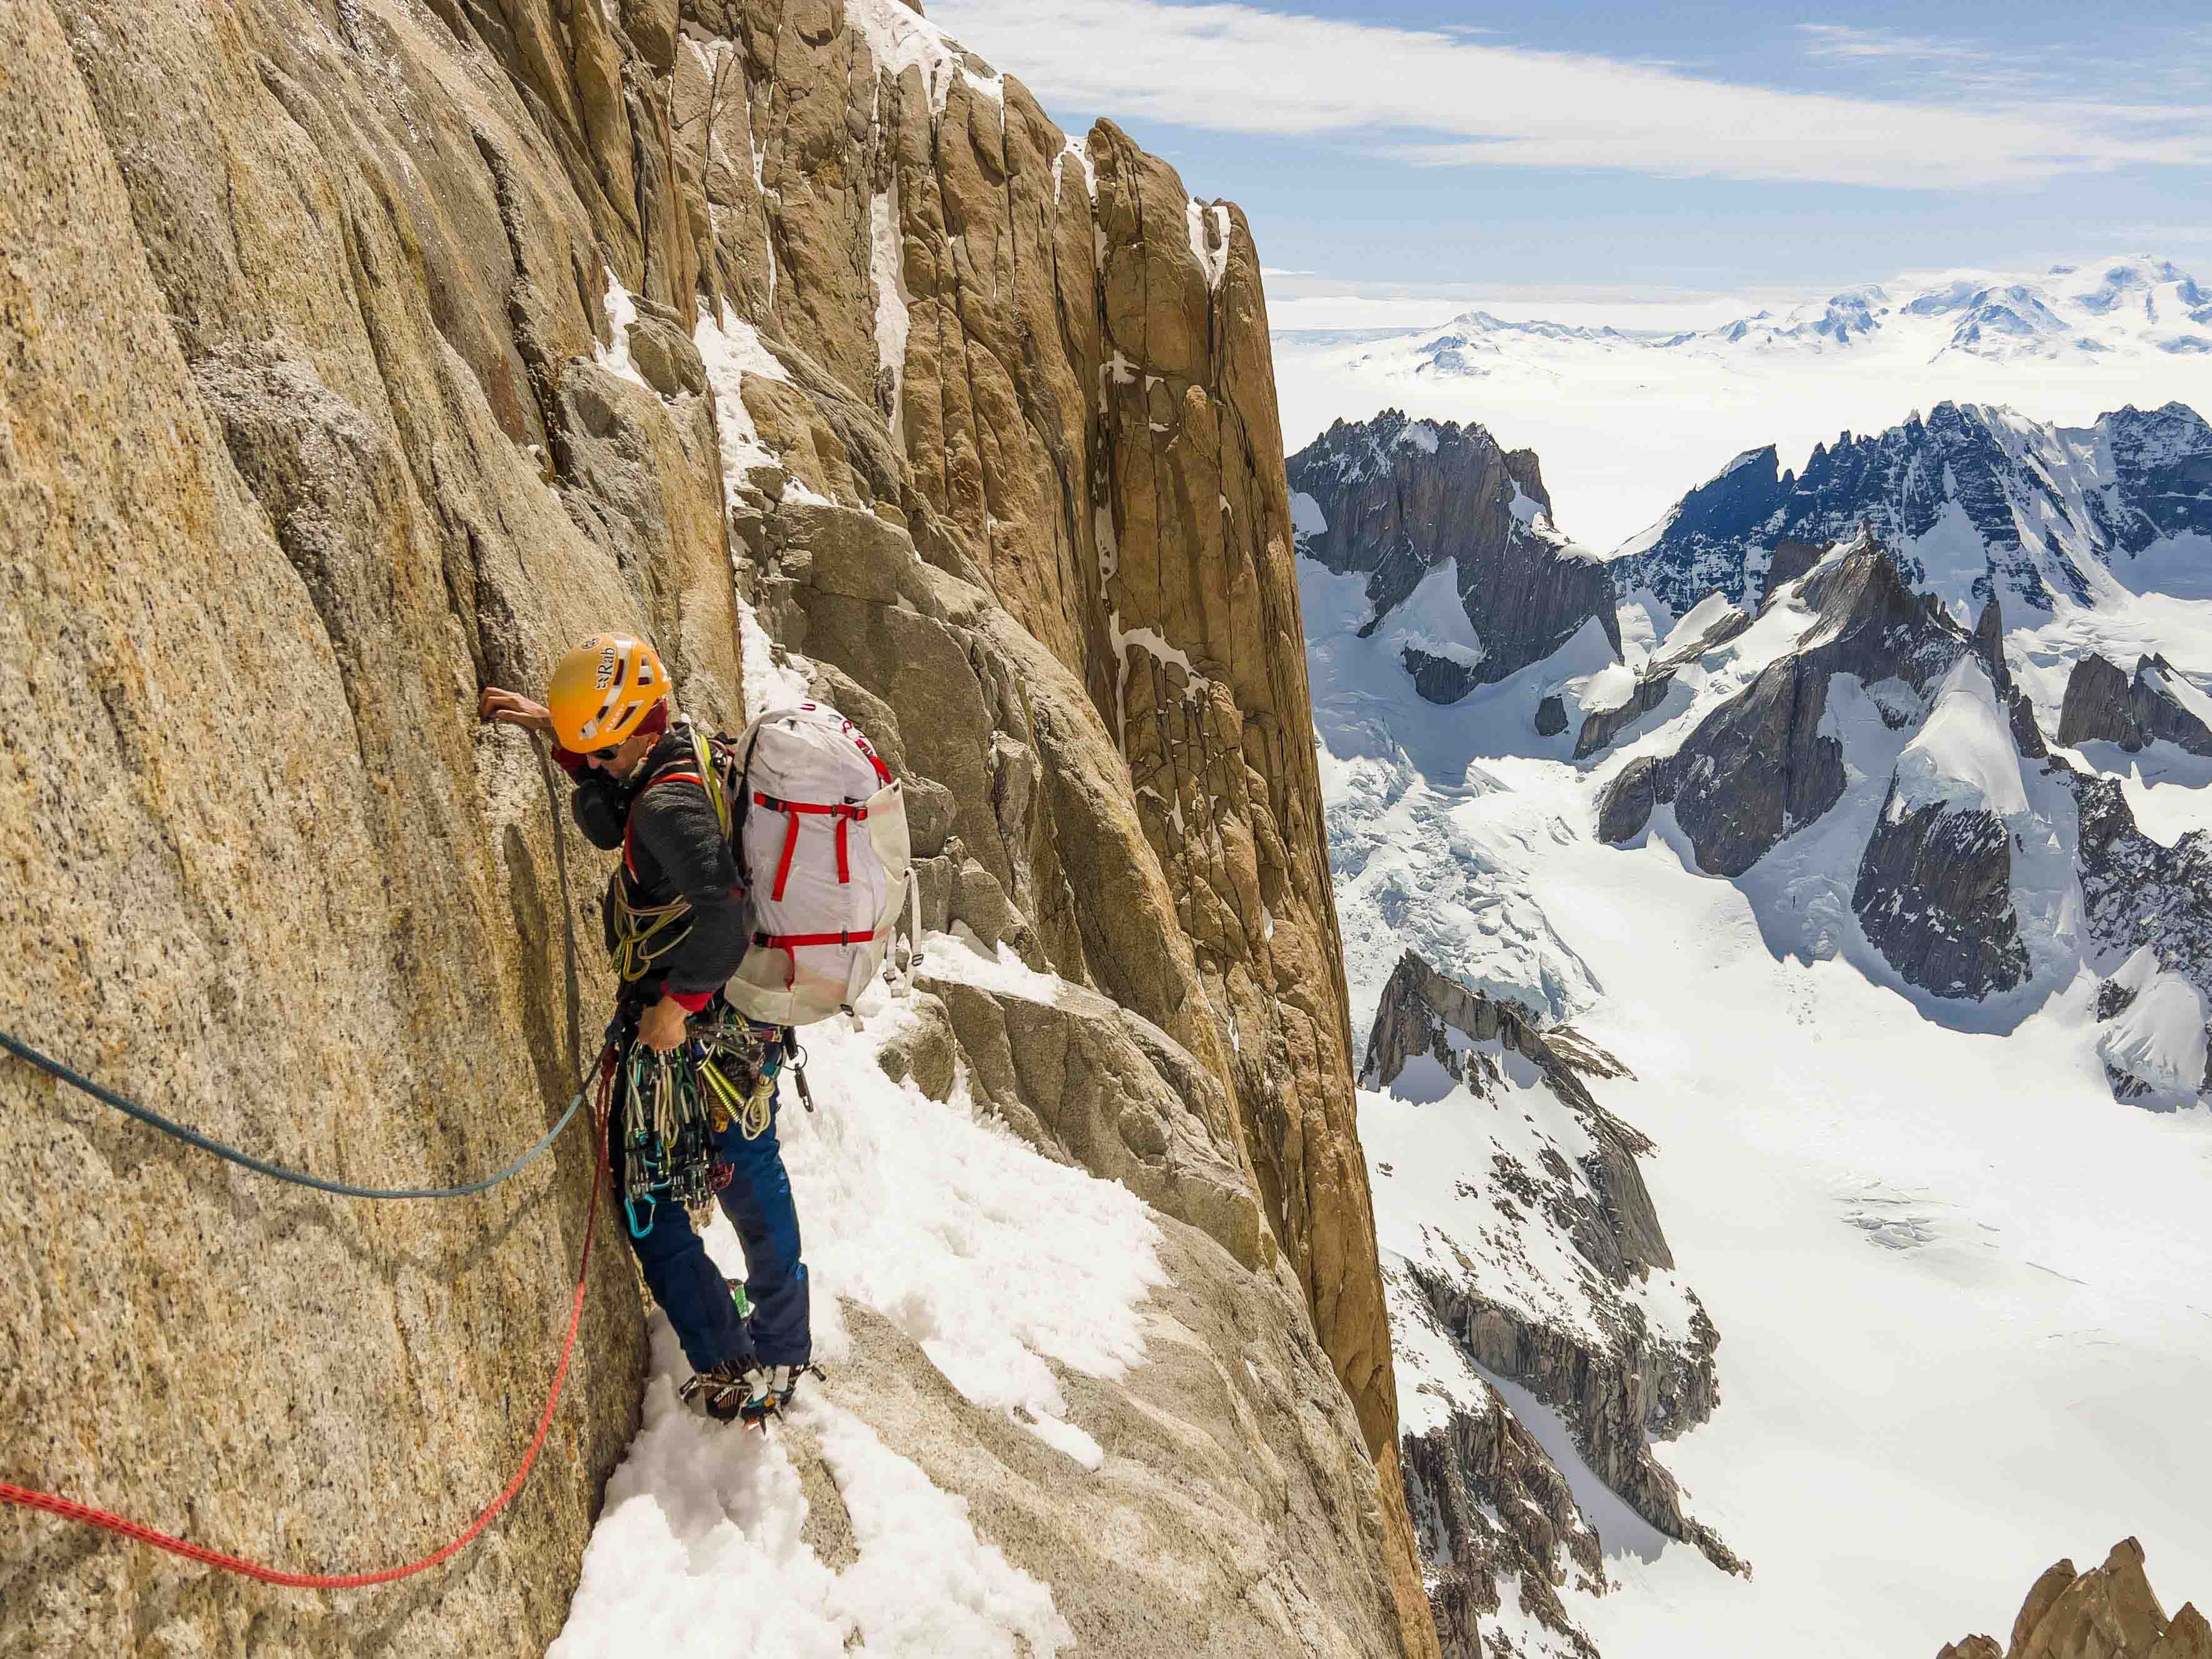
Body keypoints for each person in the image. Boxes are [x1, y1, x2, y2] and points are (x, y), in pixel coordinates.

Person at [481, 634, 811, 1426]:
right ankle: (779, 1339)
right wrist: (557, 731)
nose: (592, 764)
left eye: (598, 748)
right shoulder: (673, 744)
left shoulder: (664, 805)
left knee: (652, 1199)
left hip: (698, 1028)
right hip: (741, 1022)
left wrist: (675, 1007)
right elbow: (621, 793)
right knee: (747, 1166)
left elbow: (724, 917)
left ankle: (735, 1363)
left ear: (631, 732)